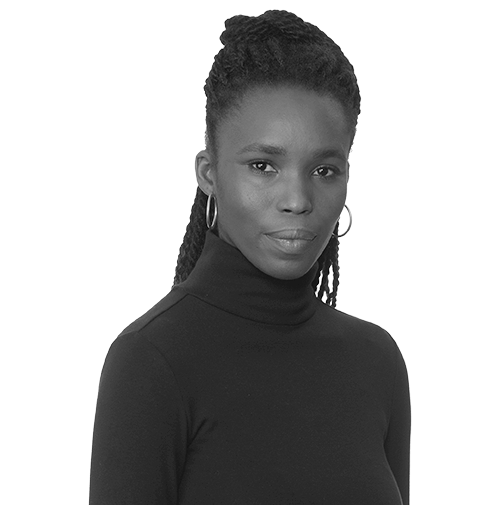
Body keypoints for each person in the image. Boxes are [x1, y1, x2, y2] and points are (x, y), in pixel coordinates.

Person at [89, 9, 410, 504]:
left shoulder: (377, 361)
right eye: (263, 165)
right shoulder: (152, 362)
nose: (297, 200)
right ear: (208, 173)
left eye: (324, 170)